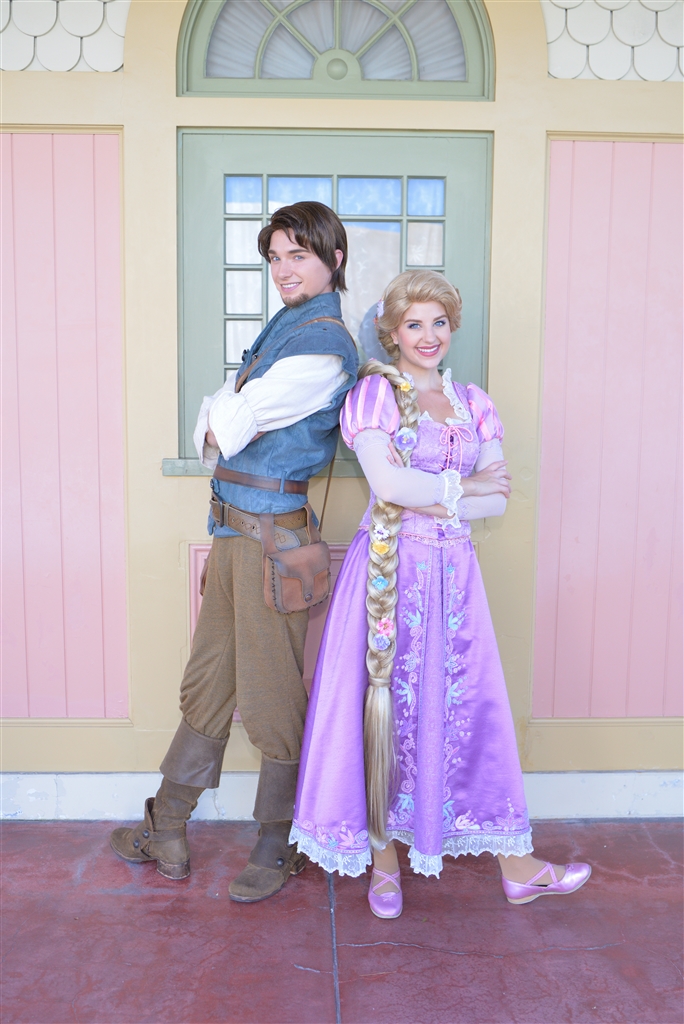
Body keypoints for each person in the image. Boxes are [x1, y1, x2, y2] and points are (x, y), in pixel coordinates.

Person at [291, 269, 590, 917]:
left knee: (467, 711)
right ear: (392, 332)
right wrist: (461, 490)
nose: (429, 336)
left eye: (439, 323)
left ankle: (517, 865)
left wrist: (442, 494)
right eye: (414, 324)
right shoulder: (374, 395)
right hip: (388, 572)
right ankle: (384, 864)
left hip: (454, 578)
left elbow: (498, 495)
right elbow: (390, 487)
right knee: (379, 710)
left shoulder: (472, 402)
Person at [111, 202, 358, 902]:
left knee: (271, 692)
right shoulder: (285, 329)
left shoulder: (323, 343)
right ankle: (167, 825)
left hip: (272, 544)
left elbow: (225, 424)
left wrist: (226, 405)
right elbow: (218, 421)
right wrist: (226, 407)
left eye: (299, 256)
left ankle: (279, 841)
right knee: (208, 681)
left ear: (333, 259)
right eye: (275, 257)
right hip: (232, 537)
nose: (284, 270)